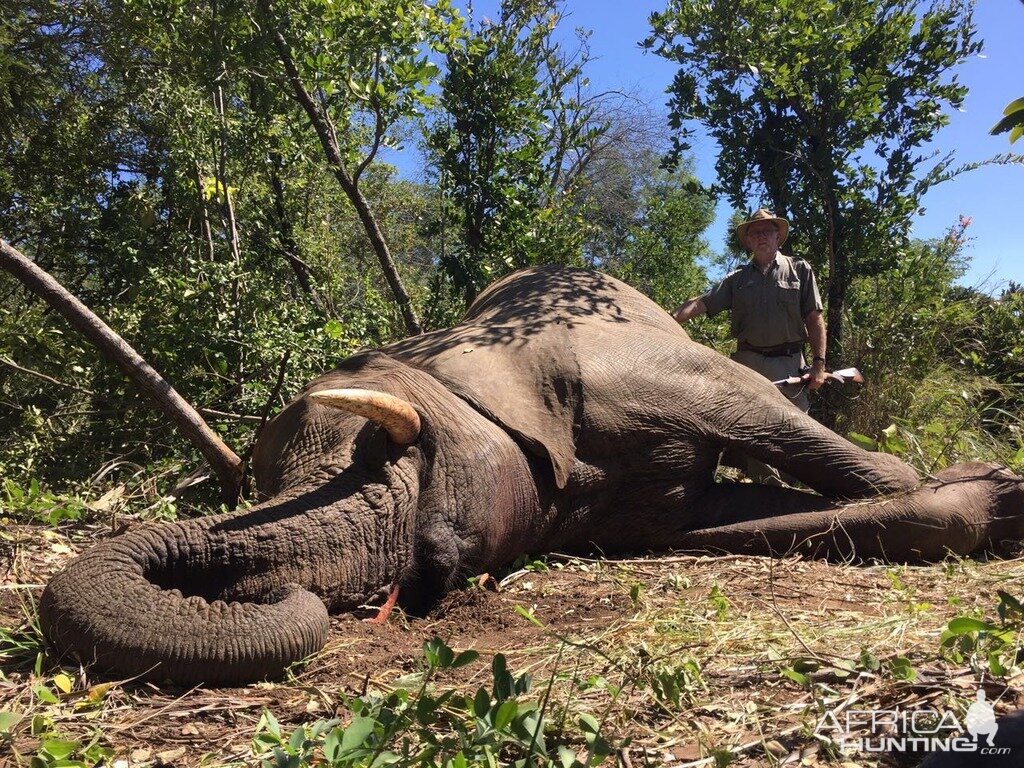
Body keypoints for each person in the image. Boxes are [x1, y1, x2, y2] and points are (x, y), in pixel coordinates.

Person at [671, 208, 827, 484]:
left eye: (767, 230)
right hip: (748, 364)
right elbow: (702, 303)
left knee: (797, 430)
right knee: (754, 429)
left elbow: (814, 318)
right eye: (755, 232)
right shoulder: (737, 279)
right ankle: (769, 491)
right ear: (749, 241)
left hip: (789, 363)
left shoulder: (800, 270)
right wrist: (667, 321)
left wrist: (819, 365)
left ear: (778, 236)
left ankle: (794, 492)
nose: (762, 236)